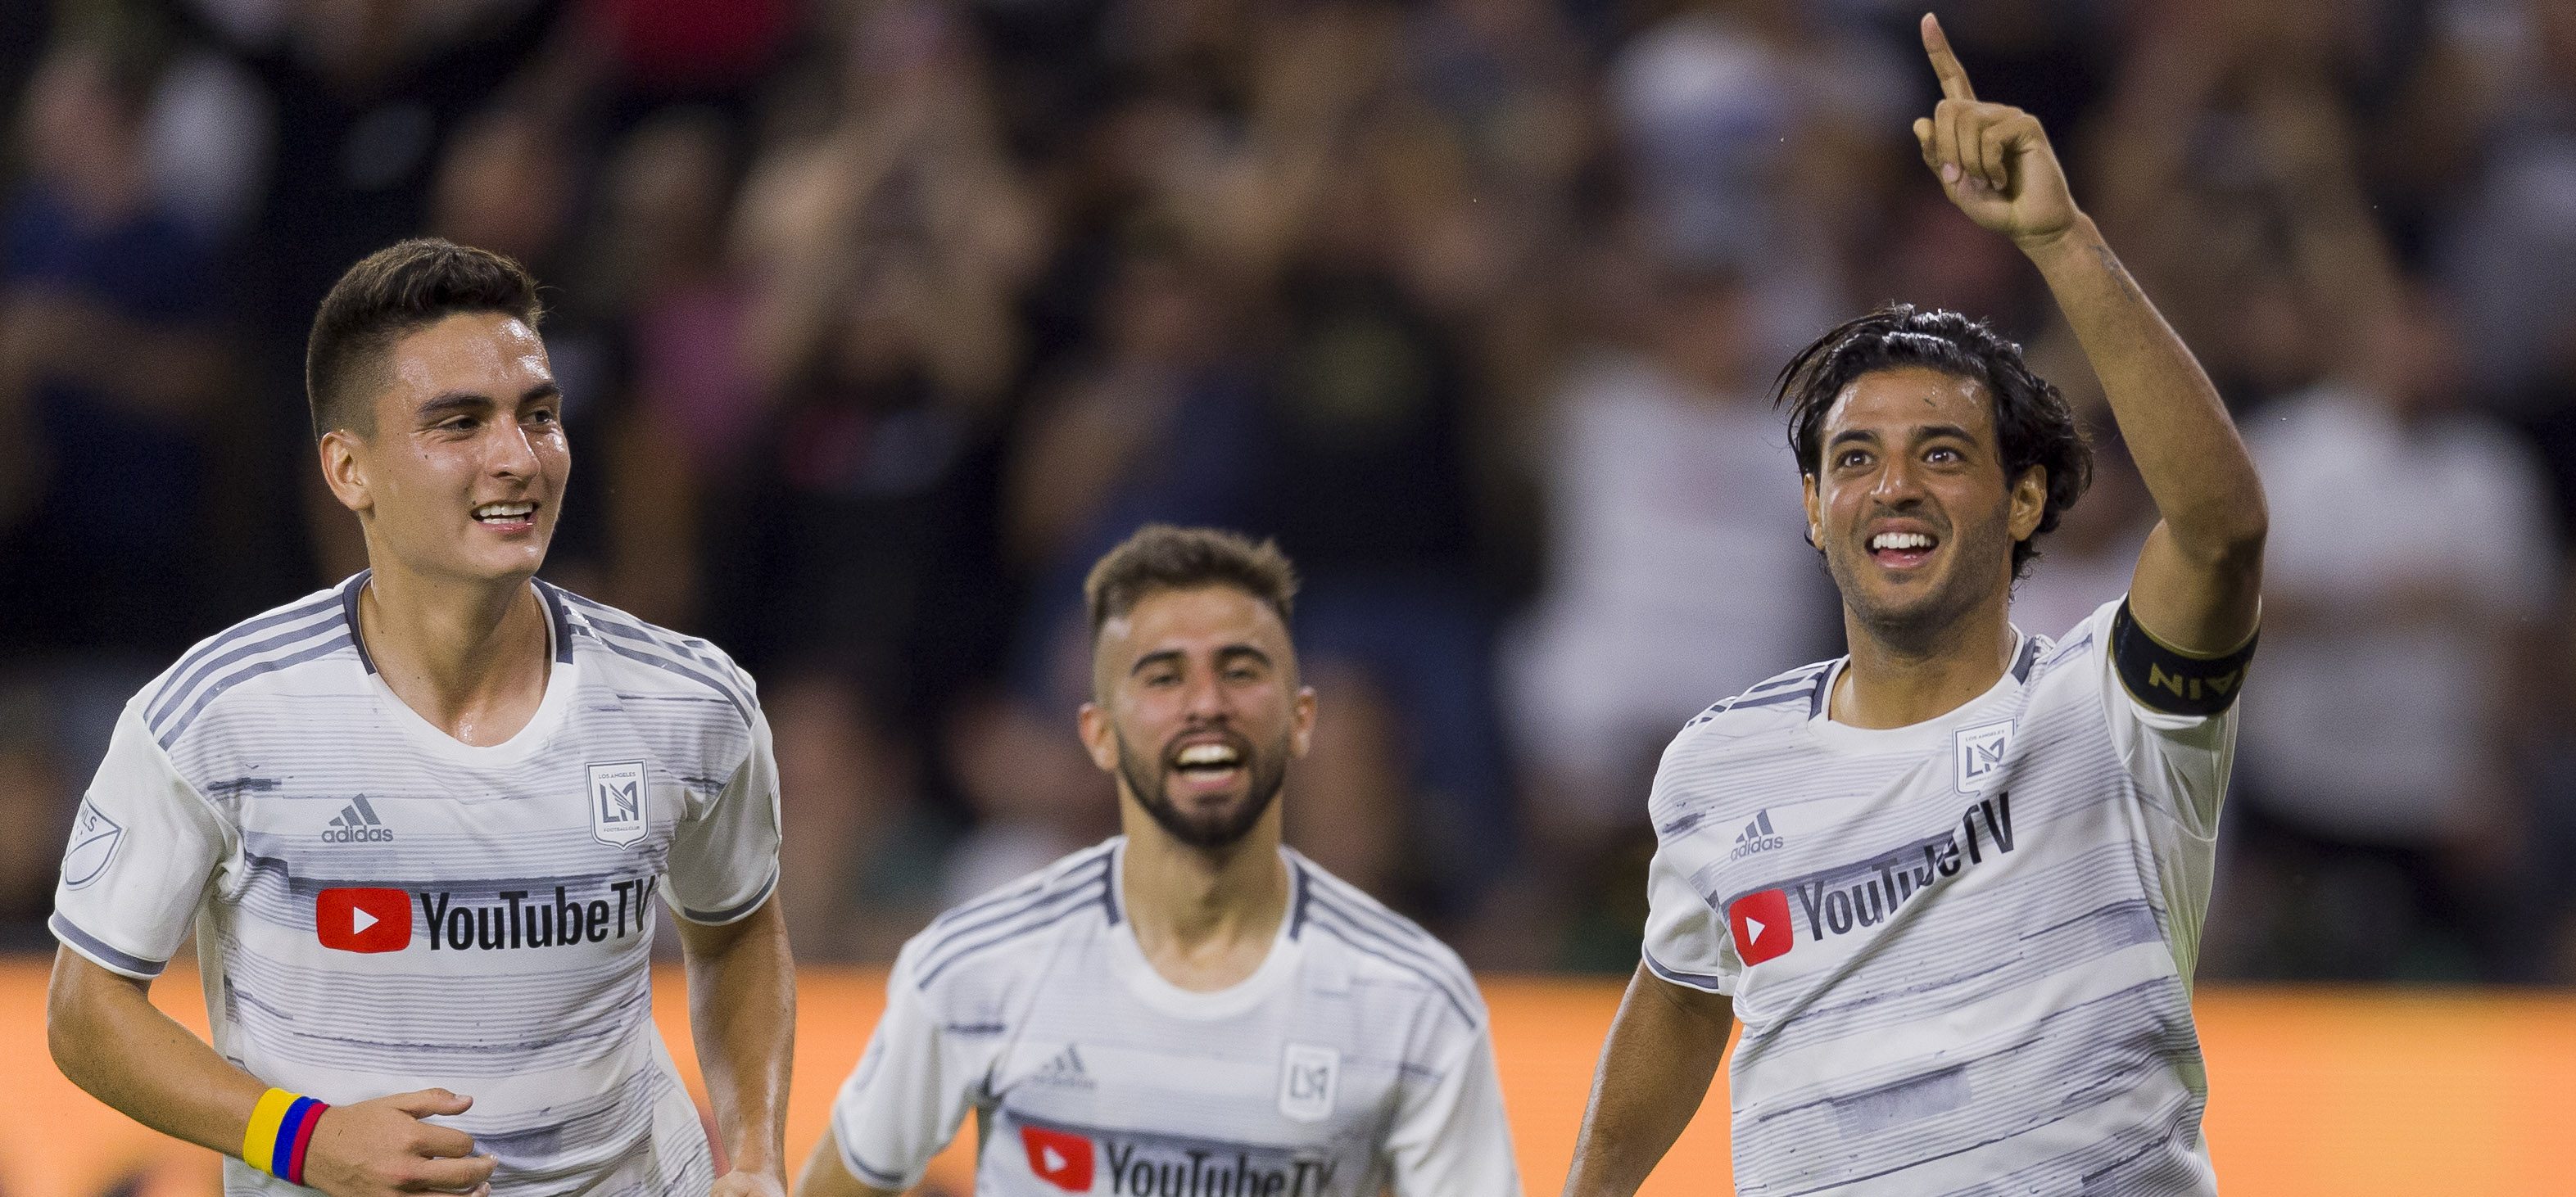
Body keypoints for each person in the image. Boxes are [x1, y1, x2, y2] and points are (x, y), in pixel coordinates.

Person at [1564, 16, 2266, 1196]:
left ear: (2024, 494)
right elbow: (1681, 998)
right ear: (1809, 506)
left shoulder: (2112, 705)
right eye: (1854, 459)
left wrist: (2062, 240)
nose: (1891, 484)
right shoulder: (1718, 765)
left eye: (1942, 453)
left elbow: (2219, 529)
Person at [45, 239, 795, 1197]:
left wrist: (759, 1158)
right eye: (460, 422)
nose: (516, 458)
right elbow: (85, 1009)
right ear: (349, 469)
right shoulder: (216, 715)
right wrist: (299, 1137)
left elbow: (734, 928)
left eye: (539, 415)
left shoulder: (689, 701)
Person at [795, 524, 1521, 1197]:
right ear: (1100, 734)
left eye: (1240, 671)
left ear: (1301, 720)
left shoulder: (1419, 1005)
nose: (1205, 704)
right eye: (1164, 677)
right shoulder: (972, 972)